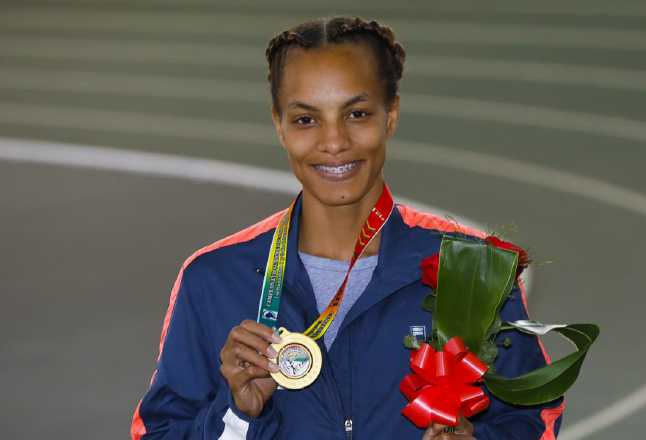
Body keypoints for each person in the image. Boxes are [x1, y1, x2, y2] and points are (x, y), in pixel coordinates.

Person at [130, 16, 564, 440]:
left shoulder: (470, 269)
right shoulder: (215, 278)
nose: (334, 141)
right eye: (305, 119)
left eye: (356, 114)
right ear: (278, 125)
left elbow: (532, 419)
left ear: (390, 115)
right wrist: (239, 416)